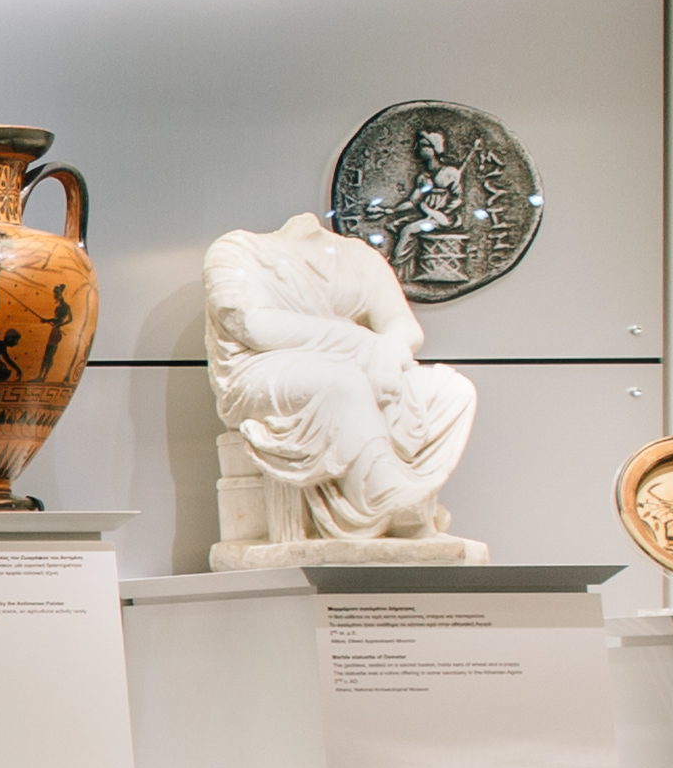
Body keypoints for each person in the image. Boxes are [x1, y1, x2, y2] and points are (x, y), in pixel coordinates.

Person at [203, 209, 476, 539]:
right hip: (263, 370)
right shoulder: (237, 249)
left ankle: (406, 499)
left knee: (452, 390)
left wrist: (390, 348)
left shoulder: (359, 256)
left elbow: (403, 324)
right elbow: (254, 327)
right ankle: (383, 497)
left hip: (363, 364)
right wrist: (361, 343)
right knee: (343, 384)